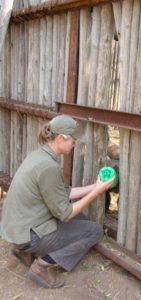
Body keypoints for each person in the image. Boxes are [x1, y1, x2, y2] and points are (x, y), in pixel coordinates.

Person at [0, 115, 113, 289]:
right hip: (28, 235)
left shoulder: (40, 155)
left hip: (19, 228)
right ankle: (43, 265)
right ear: (60, 139)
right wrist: (97, 192)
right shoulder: (49, 167)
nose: (75, 144)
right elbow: (66, 214)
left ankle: (22, 250)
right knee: (94, 231)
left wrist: (95, 186)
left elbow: (64, 193)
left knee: (81, 219)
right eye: (73, 140)